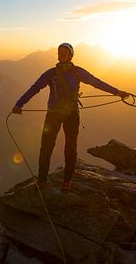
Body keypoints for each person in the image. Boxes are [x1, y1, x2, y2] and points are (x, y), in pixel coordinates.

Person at [12, 43, 129, 192]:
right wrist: (19, 104)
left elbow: (97, 83)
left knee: (70, 149)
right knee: (46, 148)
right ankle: (42, 180)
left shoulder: (75, 72)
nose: (60, 54)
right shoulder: (52, 73)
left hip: (69, 115)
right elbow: (34, 88)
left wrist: (117, 92)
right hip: (56, 114)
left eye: (64, 52)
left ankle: (66, 182)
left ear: (70, 55)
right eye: (59, 52)